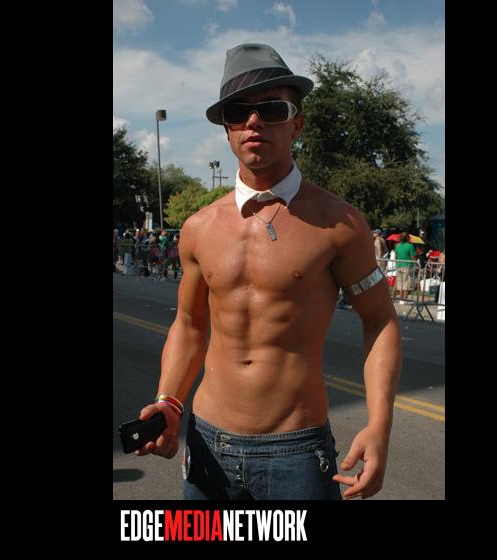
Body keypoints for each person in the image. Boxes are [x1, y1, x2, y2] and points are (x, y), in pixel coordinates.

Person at [135, 43, 402, 500]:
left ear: (297, 123)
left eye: (272, 108)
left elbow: (380, 321)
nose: (254, 121)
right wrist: (169, 401)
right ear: (227, 129)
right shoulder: (199, 228)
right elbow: (190, 325)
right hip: (207, 445)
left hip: (296, 454)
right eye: (238, 112)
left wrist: (380, 426)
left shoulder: (339, 224)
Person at [394, 232, 416, 303]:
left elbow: (396, 256)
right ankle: (405, 299)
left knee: (400, 284)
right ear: (408, 238)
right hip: (407, 266)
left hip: (399, 265)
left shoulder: (398, 246)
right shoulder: (410, 246)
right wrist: (416, 265)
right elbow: (413, 258)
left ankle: (401, 299)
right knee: (406, 284)